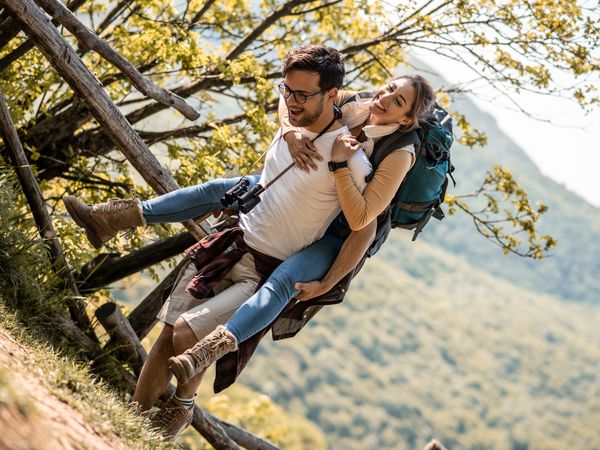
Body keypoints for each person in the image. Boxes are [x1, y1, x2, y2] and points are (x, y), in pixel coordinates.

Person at [64, 48, 436, 438]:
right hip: (240, 233)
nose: (385, 97)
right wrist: (291, 133)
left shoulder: (388, 155)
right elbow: (292, 105)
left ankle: (186, 398)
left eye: (397, 100)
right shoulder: (337, 106)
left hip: (305, 246)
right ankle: (131, 425)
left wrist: (341, 166)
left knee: (191, 331)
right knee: (169, 332)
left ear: (407, 117)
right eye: (388, 88)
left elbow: (363, 224)